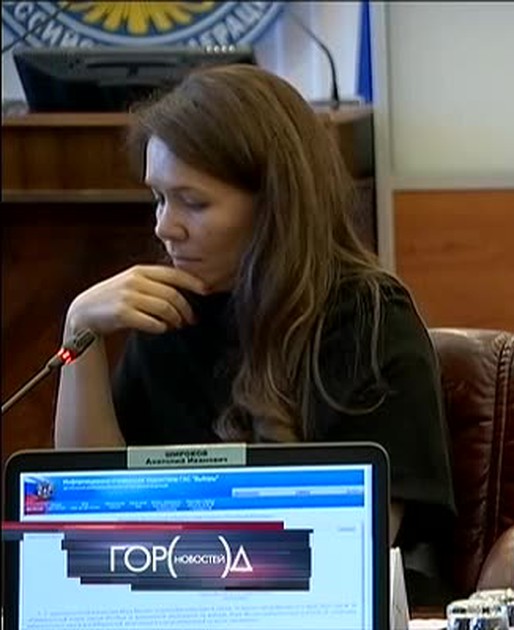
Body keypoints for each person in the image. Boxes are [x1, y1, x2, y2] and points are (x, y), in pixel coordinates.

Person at [53, 65, 456, 607]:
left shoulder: (369, 317)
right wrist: (80, 332)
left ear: (273, 207)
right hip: (174, 600)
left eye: (193, 202)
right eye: (159, 198)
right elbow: (85, 511)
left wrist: (155, 556)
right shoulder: (170, 312)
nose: (164, 227)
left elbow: (353, 546)